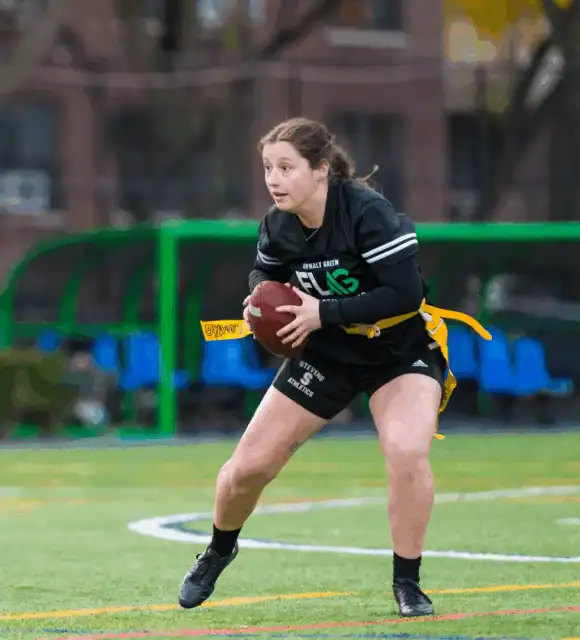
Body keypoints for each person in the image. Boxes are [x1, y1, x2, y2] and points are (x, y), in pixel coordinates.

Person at [179, 117, 489, 617]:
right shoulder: (279, 223)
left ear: (320, 170)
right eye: (267, 168)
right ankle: (218, 549)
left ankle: (407, 583)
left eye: (286, 167)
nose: (273, 180)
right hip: (328, 353)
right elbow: (266, 271)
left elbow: (407, 293)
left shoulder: (365, 211)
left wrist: (323, 311)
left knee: (407, 451)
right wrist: (262, 300)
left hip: (397, 350)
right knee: (247, 470)